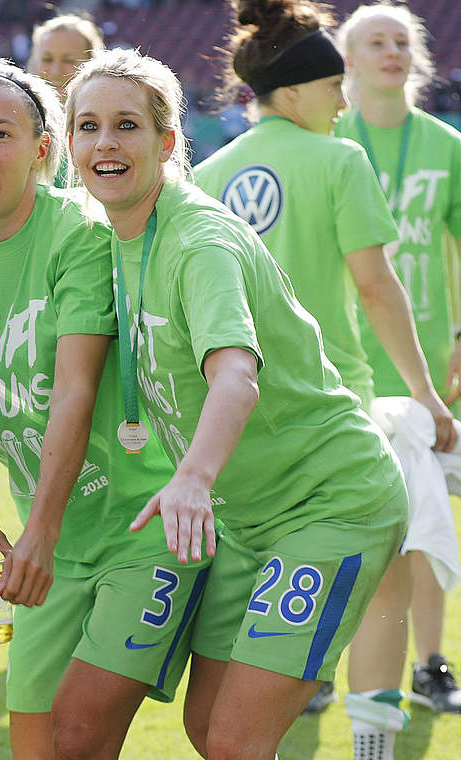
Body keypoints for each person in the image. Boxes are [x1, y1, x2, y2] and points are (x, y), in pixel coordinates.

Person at [66, 47, 409, 760]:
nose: (105, 142)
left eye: (126, 125)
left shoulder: (198, 241)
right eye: (88, 125)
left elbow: (235, 379)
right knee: (209, 726)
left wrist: (190, 477)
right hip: (244, 519)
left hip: (329, 501)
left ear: (167, 143)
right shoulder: (113, 238)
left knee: (234, 740)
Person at [0, 60, 207, 760]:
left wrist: (39, 530)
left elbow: (75, 391)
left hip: (142, 531)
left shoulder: (79, 235)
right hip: (52, 545)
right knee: (35, 746)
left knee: (77, 733)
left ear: (42, 150)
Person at [192, 1, 455, 750]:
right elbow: (376, 286)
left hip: (242, 427)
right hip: (337, 415)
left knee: (268, 594)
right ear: (298, 90)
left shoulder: (208, 174)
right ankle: (372, 742)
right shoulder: (341, 159)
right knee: (387, 576)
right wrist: (428, 394)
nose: (345, 102)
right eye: (335, 86)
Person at [335, 0, 461, 729]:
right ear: (346, 62)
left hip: (421, 374)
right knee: (350, 528)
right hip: (346, 365)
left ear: (415, 58)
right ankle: (331, 666)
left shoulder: (445, 145)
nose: (389, 51)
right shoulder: (332, 141)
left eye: (400, 41)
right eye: (372, 41)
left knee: (426, 523)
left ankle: (429, 662)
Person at [27, 13, 104, 189]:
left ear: (92, 64)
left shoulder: (108, 130)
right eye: (47, 59)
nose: (55, 71)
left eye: (68, 60)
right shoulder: (17, 126)